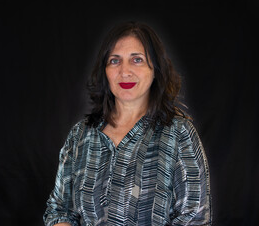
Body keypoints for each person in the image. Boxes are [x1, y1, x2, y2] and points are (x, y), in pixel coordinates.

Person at [43, 21, 212, 226]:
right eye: (115, 61)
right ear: (105, 70)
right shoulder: (80, 136)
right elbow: (59, 211)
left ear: (156, 68)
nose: (124, 71)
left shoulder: (179, 134)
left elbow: (194, 219)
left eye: (137, 60)